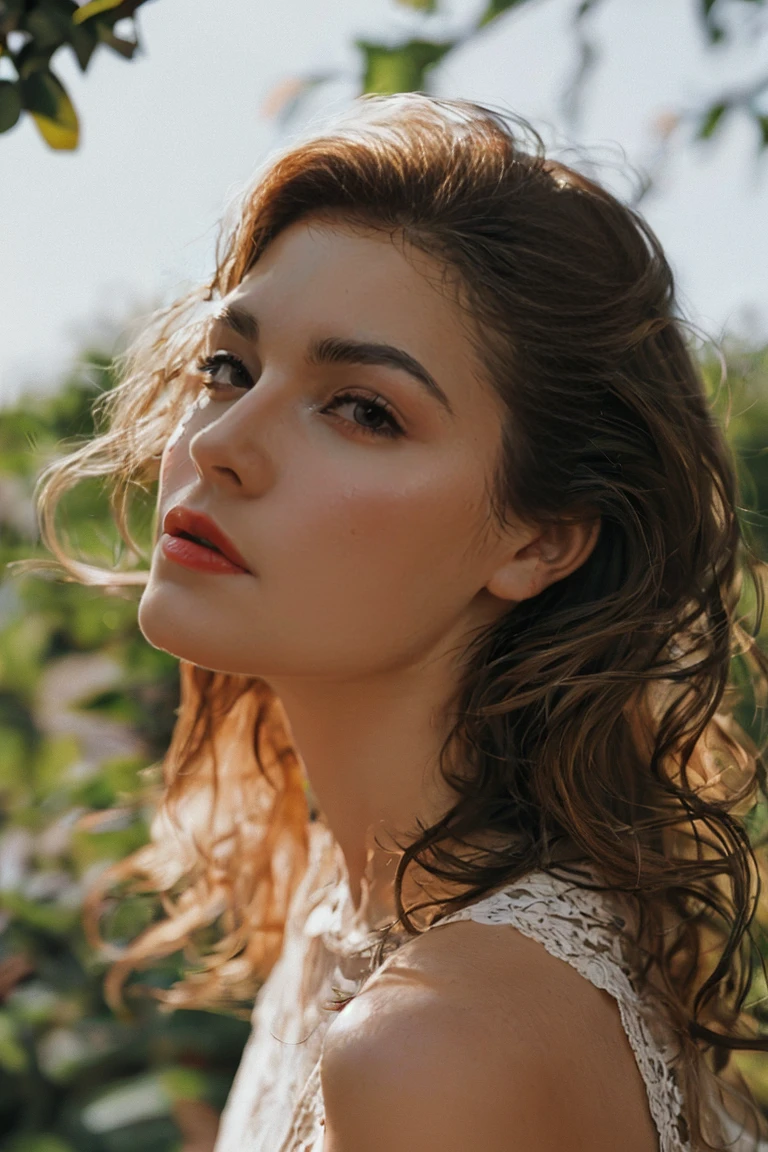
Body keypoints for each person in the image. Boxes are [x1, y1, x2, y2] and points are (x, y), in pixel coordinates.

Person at [16, 94, 768, 1151]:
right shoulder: (368, 906)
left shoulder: (435, 1047)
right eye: (230, 366)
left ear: (540, 538)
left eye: (364, 409)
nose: (225, 439)